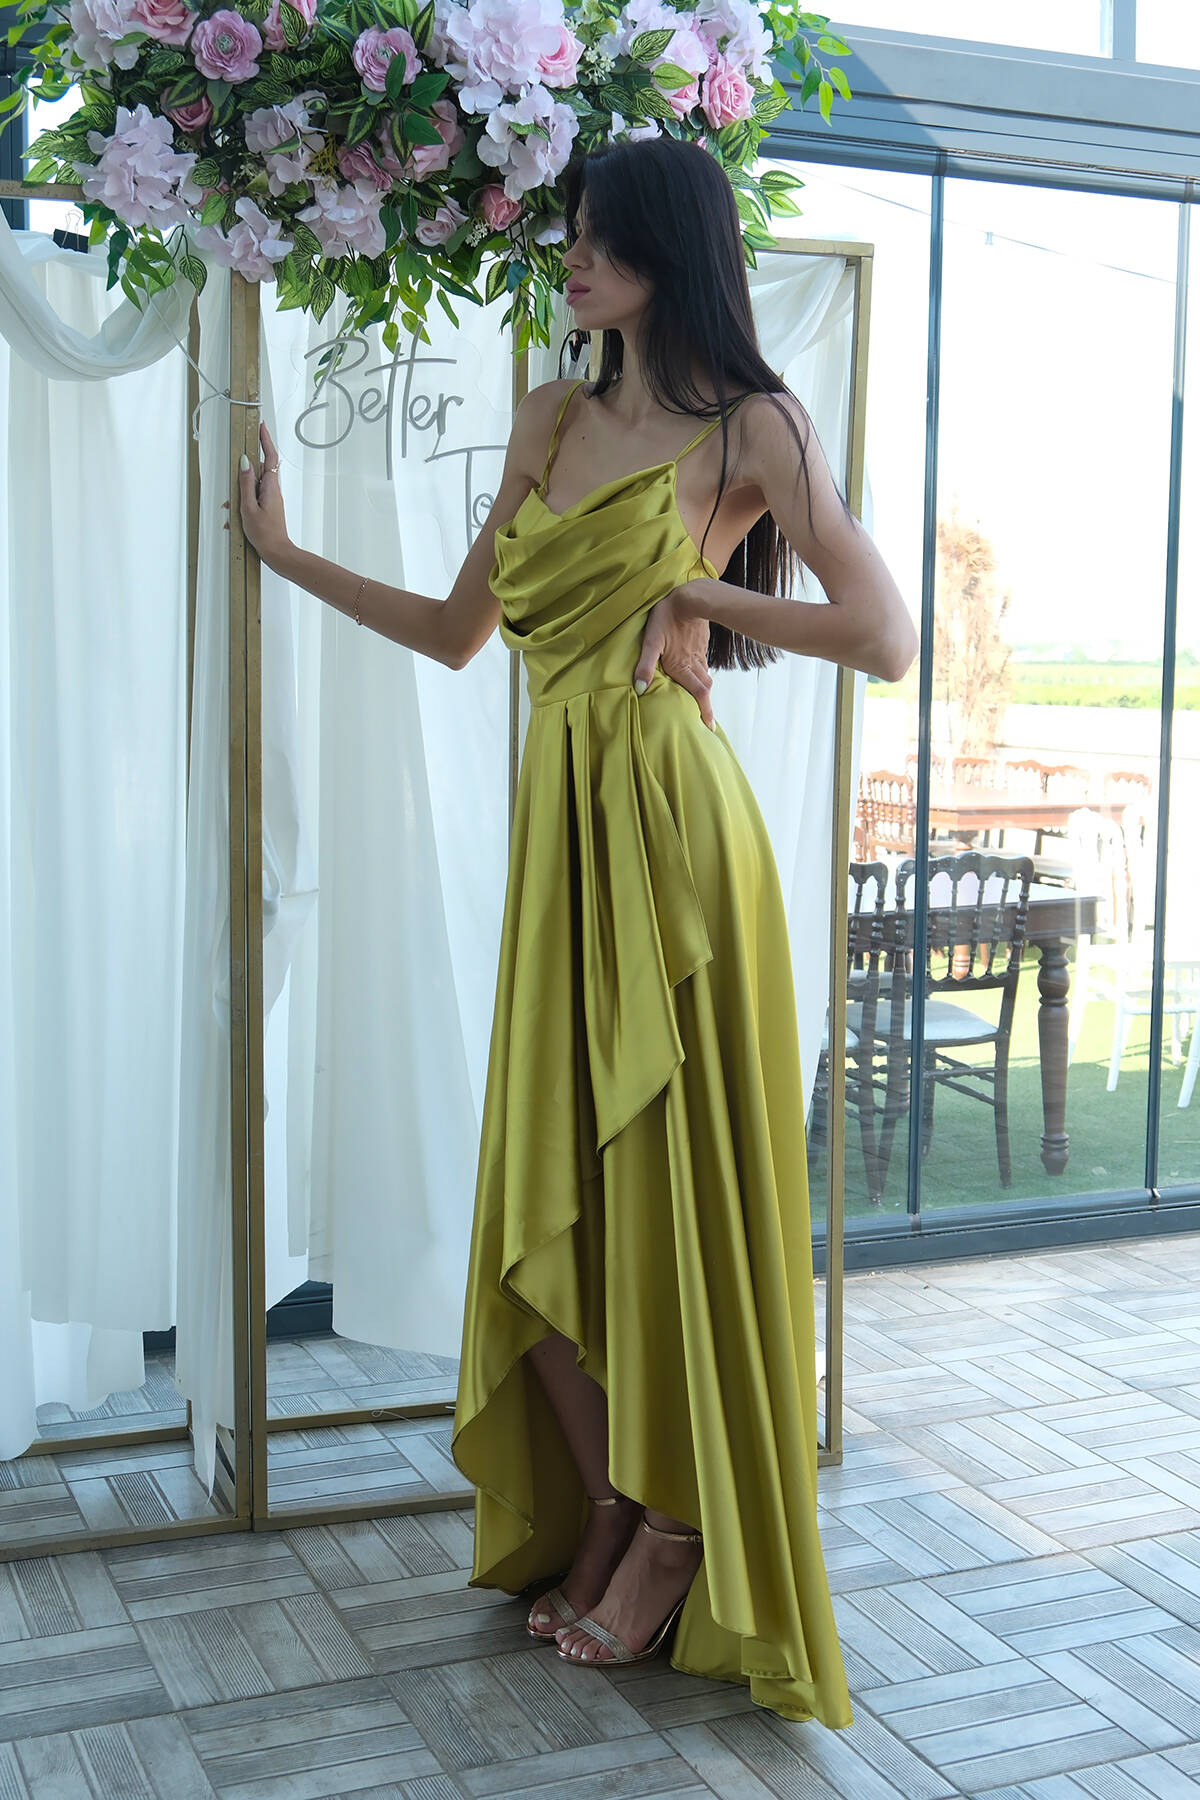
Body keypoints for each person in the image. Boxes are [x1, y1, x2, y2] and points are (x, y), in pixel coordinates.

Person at [237, 135, 915, 1728]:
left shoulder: (753, 424)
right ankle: (611, 1503)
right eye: (570, 236)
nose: (571, 261)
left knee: (660, 1192)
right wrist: (284, 555)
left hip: (674, 839)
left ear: (669, 251)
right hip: (565, 837)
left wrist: (702, 599)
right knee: (545, 1196)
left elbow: (883, 634)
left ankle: (672, 1533)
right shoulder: (550, 415)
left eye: (598, 239)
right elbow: (457, 632)